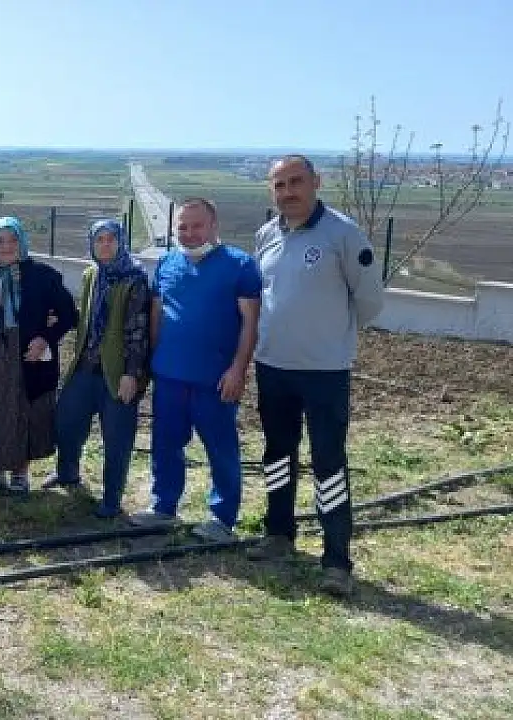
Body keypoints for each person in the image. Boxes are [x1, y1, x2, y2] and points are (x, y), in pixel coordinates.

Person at [247, 155, 386, 596]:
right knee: (277, 455)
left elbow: (369, 300)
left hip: (324, 372)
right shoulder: (266, 235)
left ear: (316, 182)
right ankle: (278, 532)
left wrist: (330, 334)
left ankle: (336, 560)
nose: (288, 192)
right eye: (279, 185)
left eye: (296, 182)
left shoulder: (342, 234)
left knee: (328, 462)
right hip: (273, 367)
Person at [130, 198, 261, 541]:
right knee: (165, 443)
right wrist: (153, 361)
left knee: (220, 448)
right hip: (170, 375)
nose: (189, 233)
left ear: (214, 225)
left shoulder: (240, 265)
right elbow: (157, 315)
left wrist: (238, 369)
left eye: (197, 225)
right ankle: (163, 506)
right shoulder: (167, 263)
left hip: (215, 380)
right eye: (182, 227)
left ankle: (222, 517)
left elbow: (250, 323)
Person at [45, 220, 151, 518]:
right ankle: (67, 473)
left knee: (117, 438)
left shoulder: (134, 280)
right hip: (85, 365)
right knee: (66, 421)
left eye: (110, 239)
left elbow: (138, 331)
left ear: (121, 242)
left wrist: (132, 374)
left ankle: (112, 499)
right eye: (99, 240)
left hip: (117, 372)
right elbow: (89, 317)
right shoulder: (92, 274)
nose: (104, 245)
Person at [0, 216, 78, 495]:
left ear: (22, 243)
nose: (5, 246)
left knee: (22, 412)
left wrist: (45, 339)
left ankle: (20, 474)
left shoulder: (42, 275)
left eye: (12, 240)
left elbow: (69, 314)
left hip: (26, 356)